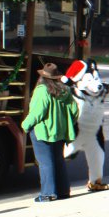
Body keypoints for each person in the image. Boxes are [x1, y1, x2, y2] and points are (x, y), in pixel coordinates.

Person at [21, 62, 79, 203]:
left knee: (45, 163)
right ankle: (63, 191)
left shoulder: (42, 90)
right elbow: (75, 111)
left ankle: (48, 194)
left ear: (43, 77)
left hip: (43, 131)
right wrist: (66, 123)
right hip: (60, 131)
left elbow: (37, 112)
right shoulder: (65, 90)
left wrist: (25, 125)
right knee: (59, 160)